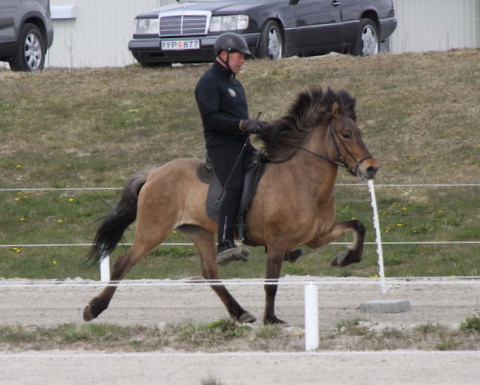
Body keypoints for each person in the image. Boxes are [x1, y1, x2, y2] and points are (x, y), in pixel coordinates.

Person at [194, 32, 270, 265]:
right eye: (240, 56)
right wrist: (241, 124)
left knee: (268, 171)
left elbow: (240, 119)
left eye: (244, 57)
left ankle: (274, 239)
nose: (243, 61)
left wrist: (258, 127)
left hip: (241, 143)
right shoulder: (208, 82)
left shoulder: (235, 83)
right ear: (224, 54)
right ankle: (225, 242)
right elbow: (211, 120)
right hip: (222, 145)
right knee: (234, 185)